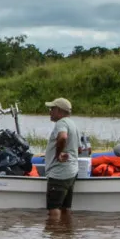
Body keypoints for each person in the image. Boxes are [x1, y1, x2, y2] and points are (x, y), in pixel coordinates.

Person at [43, 97, 83, 228]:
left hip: (59, 174)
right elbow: (79, 148)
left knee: (53, 210)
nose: (50, 112)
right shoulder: (73, 124)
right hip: (71, 172)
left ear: (59, 111)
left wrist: (58, 154)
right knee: (65, 208)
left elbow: (63, 137)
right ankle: (66, 233)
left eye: (52, 109)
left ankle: (55, 237)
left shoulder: (61, 123)